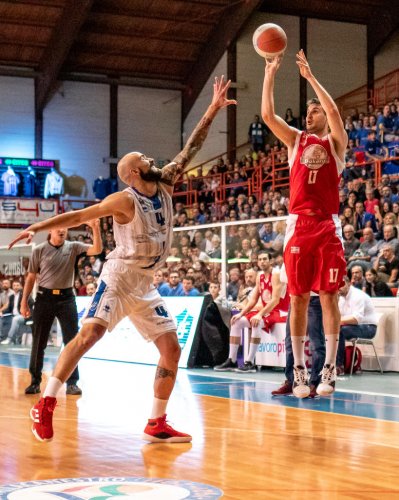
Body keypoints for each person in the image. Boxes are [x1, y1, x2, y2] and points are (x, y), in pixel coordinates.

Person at [10, 76, 236, 443]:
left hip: (145, 283)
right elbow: (79, 217)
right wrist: (39, 226)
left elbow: (191, 148)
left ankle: (156, 421)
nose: (150, 159)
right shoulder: (124, 199)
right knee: (90, 334)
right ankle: (46, 402)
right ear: (132, 172)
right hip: (119, 276)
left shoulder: (165, 182)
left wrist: (211, 108)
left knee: (171, 349)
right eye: (142, 159)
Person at [262, 49, 347, 397]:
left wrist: (311, 77)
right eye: (308, 111)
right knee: (297, 298)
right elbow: (267, 115)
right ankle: (298, 370)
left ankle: (328, 367)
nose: (311, 115)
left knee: (328, 296)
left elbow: (335, 111)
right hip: (298, 226)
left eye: (315, 111)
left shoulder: (335, 142)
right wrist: (270, 73)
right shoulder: (297, 140)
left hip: (327, 225)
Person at [19, 223, 102, 395]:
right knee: (39, 342)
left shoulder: (73, 247)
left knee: (73, 342)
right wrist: (24, 301)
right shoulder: (39, 250)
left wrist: (95, 228)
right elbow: (31, 277)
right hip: (44, 298)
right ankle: (35, 381)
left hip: (66, 299)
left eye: (65, 227)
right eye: (58, 228)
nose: (63, 230)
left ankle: (72, 382)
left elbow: (97, 249)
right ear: (50, 230)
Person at [214, 252, 289, 373]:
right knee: (236, 322)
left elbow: (275, 300)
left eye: (265, 259)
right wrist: (241, 314)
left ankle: (249, 362)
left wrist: (259, 314)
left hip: (279, 311)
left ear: (270, 261)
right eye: (260, 259)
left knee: (256, 322)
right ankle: (232, 360)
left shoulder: (276, 274)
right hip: (266, 311)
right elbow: (253, 299)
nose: (262, 261)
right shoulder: (260, 276)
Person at [272, 295, 325, 398]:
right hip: (296, 297)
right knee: (290, 342)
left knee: (316, 343)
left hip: (315, 296)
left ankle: (314, 383)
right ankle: (292, 381)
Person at [336, 277, 378, 373]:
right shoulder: (341, 298)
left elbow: (356, 319)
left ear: (349, 284)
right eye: (337, 285)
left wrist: (335, 322)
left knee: (340, 330)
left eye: (341, 285)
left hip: (369, 327)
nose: (338, 288)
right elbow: (338, 316)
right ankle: (329, 364)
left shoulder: (357, 296)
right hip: (354, 327)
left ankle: (339, 366)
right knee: (331, 330)